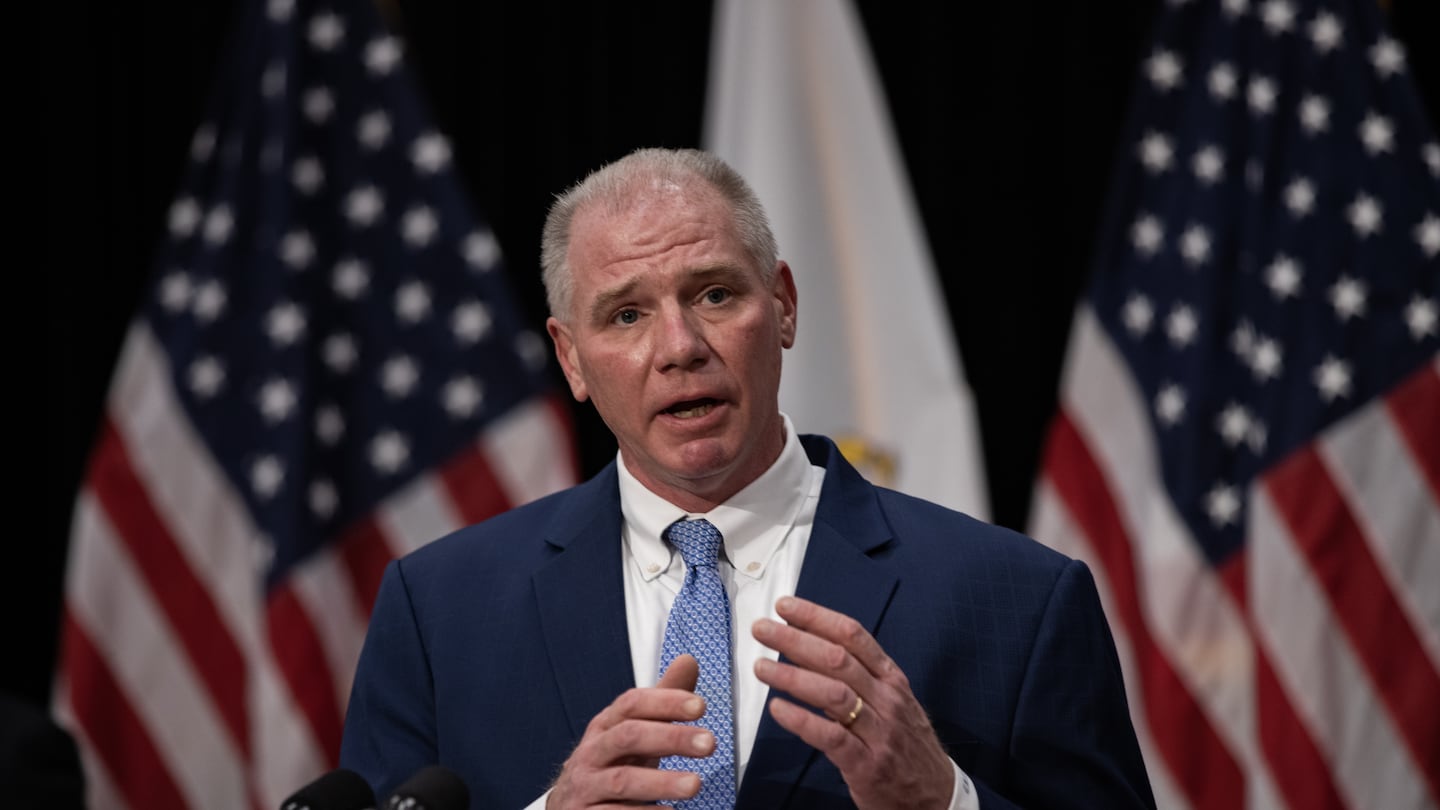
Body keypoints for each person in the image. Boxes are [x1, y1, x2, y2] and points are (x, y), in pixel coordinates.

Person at [339, 147, 1155, 809]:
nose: (680, 345)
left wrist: (943, 801)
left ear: (785, 306)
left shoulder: (1017, 599)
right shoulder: (439, 610)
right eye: (627, 314)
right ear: (571, 358)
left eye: (716, 293)